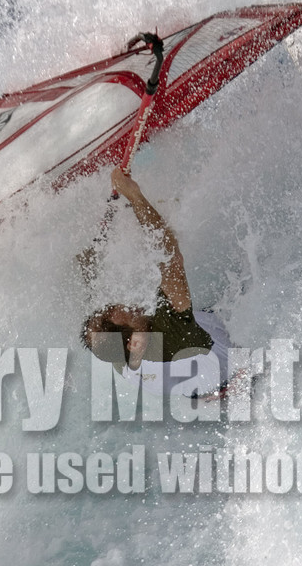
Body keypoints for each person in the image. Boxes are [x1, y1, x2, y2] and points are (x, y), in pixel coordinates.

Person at [79, 167, 234, 399]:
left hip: (203, 392)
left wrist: (87, 266)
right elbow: (171, 260)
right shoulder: (171, 334)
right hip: (234, 368)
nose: (117, 305)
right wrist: (134, 196)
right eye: (112, 312)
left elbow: (102, 334)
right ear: (133, 343)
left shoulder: (117, 353)